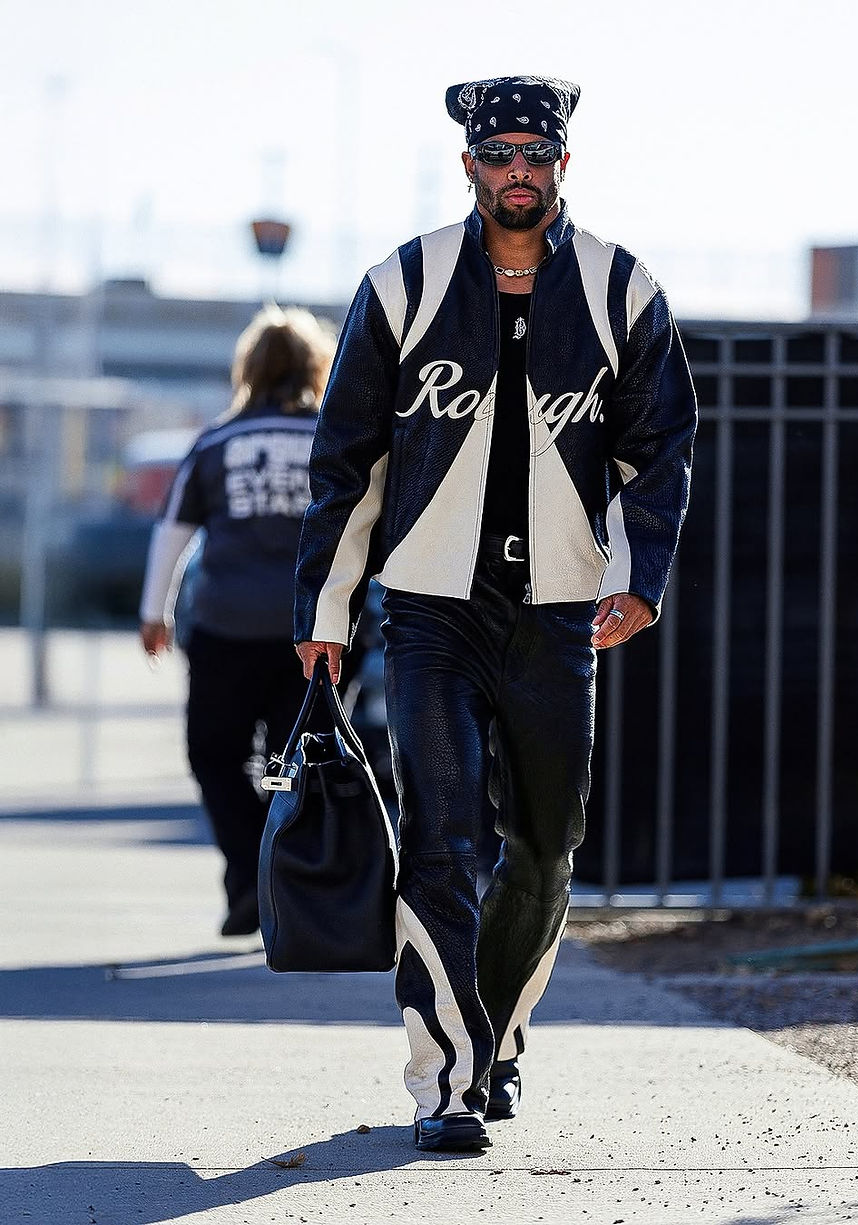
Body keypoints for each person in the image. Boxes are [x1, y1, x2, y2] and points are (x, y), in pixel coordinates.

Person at [294, 75, 697, 1152]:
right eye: (497, 154)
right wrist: (326, 608)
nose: (516, 172)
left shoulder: (621, 288)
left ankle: (499, 1032)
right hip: (427, 609)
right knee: (441, 838)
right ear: (467, 165)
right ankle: (447, 1082)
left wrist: (637, 572)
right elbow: (345, 462)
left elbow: (659, 451)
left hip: (558, 614)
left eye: (534, 154)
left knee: (546, 846)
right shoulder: (403, 282)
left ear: (562, 165)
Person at [140, 305, 336, 937]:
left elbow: (173, 533)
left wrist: (155, 613)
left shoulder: (217, 441)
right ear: (315, 368)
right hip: (314, 630)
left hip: (226, 626)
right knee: (296, 763)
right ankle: (286, 884)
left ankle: (248, 870)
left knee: (215, 755)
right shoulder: (335, 440)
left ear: (247, 369)